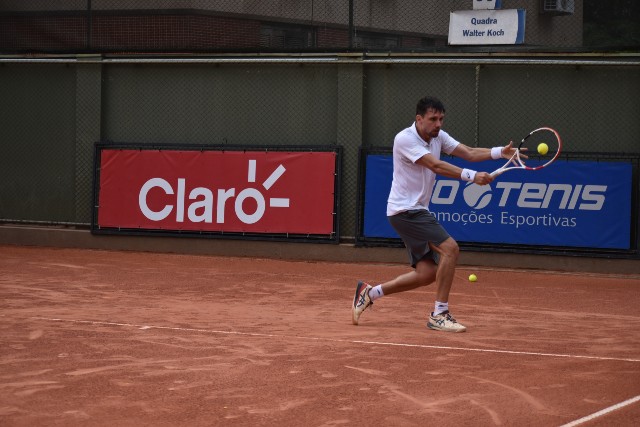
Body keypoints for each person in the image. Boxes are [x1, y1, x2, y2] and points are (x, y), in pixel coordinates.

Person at [352, 96, 517, 332]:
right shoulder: (405, 139)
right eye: (432, 119)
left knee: (427, 273)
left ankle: (370, 292)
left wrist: (500, 152)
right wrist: (472, 176)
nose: (438, 124)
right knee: (450, 249)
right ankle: (440, 314)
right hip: (406, 210)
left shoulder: (438, 136)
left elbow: (468, 152)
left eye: (441, 119)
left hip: (413, 210)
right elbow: (436, 166)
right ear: (419, 119)